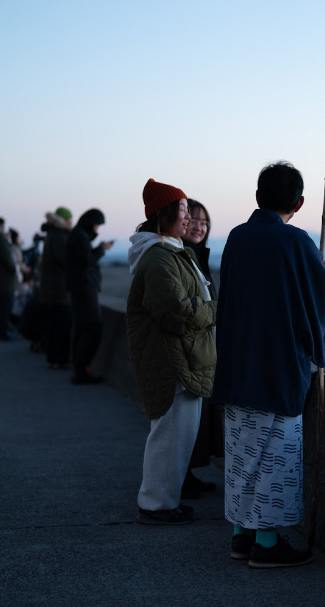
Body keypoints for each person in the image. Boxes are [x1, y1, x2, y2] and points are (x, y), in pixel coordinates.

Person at [211, 161, 325, 568]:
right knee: (275, 454)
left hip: (236, 362)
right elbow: (313, 302)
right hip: (277, 366)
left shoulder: (236, 237)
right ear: (299, 203)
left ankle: (241, 535)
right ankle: (266, 543)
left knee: (241, 451)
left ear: (258, 197)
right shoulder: (297, 242)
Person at [126, 179, 216, 525]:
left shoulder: (172, 251)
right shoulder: (159, 257)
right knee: (169, 437)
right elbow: (177, 311)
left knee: (179, 438)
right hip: (171, 360)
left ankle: (166, 500)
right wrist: (216, 311)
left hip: (182, 357)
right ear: (162, 216)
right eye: (182, 212)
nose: (188, 219)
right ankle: (155, 505)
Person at [180, 198, 220, 499]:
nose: (199, 226)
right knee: (185, 421)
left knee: (197, 419)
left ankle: (186, 476)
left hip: (203, 349)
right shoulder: (181, 257)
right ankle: (181, 478)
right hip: (188, 351)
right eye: (193, 220)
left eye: (204, 222)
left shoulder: (198, 256)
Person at [66, 208, 114, 384]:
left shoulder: (77, 234)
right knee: (93, 328)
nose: (97, 229)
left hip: (80, 287)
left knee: (82, 328)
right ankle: (81, 369)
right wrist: (101, 249)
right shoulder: (79, 236)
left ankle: (79, 369)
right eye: (96, 225)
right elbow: (87, 260)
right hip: (85, 287)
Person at [40, 207, 73, 369]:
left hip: (50, 289)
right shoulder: (59, 236)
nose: (72, 222)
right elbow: (65, 261)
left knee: (53, 326)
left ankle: (53, 359)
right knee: (61, 326)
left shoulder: (52, 234)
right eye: (70, 219)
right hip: (59, 290)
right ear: (64, 220)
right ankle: (59, 359)